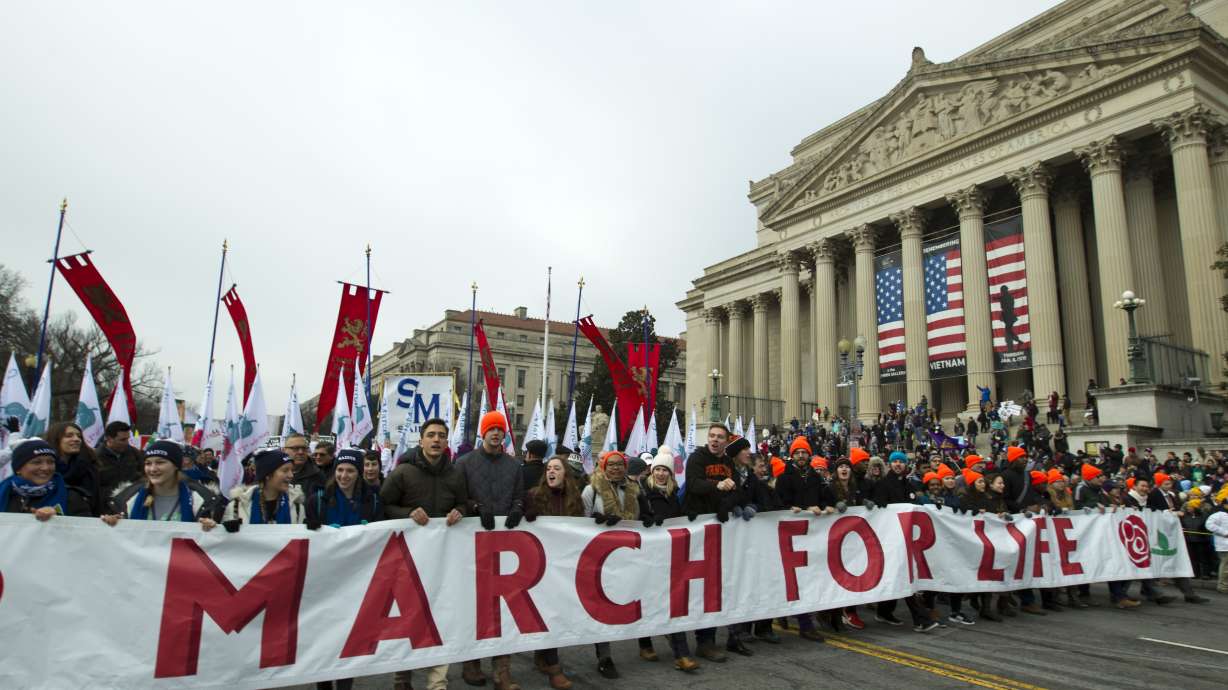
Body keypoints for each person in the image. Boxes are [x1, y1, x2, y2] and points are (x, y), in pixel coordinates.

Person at [380, 418, 464, 690]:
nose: (436, 440)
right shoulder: (403, 472)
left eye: (441, 435)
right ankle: (403, 677)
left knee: (442, 619)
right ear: (422, 439)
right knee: (410, 620)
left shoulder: (455, 474)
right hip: (410, 561)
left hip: (444, 562)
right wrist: (407, 513)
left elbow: (465, 501)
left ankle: (437, 683)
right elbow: (384, 505)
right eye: (431, 435)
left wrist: (461, 511)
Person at [454, 411, 524, 689]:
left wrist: (518, 508)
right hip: (473, 543)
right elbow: (457, 498)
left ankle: (502, 671)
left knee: (502, 609)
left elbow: (519, 495)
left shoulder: (514, 465)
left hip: (505, 545)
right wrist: (474, 507)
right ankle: (471, 663)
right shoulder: (463, 463)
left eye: (499, 429)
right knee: (475, 606)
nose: (496, 433)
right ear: (482, 433)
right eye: (491, 429)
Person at [636, 447, 701, 671]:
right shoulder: (643, 491)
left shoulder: (673, 493)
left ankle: (681, 653)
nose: (661, 474)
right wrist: (647, 519)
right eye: (658, 469)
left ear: (671, 474)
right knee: (648, 601)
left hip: (670, 556)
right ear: (652, 471)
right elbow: (637, 515)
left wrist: (689, 516)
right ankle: (645, 643)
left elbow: (680, 515)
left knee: (672, 602)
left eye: (665, 470)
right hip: (649, 555)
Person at [525, 455, 585, 689]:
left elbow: (582, 526)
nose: (551, 471)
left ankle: (543, 656)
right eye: (548, 468)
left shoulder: (575, 498)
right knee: (547, 613)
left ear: (565, 474)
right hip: (539, 564)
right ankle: (554, 668)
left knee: (554, 614)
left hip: (563, 565)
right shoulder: (533, 496)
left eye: (556, 468)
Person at [105, 440, 222, 528]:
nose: (153, 469)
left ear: (176, 465)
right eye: (148, 463)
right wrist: (112, 524)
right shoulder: (129, 500)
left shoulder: (200, 501)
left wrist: (211, 529)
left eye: (160, 462)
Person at [1, 439, 92, 518]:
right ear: (18, 469)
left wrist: (58, 518)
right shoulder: (5, 493)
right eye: (37, 462)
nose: (45, 468)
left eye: (50, 462)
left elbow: (87, 533)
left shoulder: (71, 497)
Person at [222, 449, 306, 525]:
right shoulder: (237, 506)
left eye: (292, 470)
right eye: (285, 470)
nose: (291, 475)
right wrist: (228, 533)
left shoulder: (296, 506)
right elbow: (222, 539)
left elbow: (302, 538)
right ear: (267, 475)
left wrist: (313, 530)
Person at [306, 448, 384, 528]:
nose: (343, 476)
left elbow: (379, 535)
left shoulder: (373, 501)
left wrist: (370, 530)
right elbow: (309, 534)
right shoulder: (317, 500)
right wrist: (322, 530)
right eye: (340, 470)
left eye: (350, 471)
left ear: (359, 474)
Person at [44, 422, 102, 516]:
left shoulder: (89, 467)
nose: (76, 439)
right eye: (69, 436)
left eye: (79, 436)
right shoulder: (44, 470)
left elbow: (96, 502)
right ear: (56, 439)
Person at [96, 421, 144, 499]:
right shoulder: (95, 458)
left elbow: (143, 474)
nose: (127, 443)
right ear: (109, 439)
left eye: (128, 439)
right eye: (122, 440)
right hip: (106, 505)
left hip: (132, 501)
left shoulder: (134, 453)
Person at [1205, 489, 1228, 595]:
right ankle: (1223, 586)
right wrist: (1224, 532)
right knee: (1225, 567)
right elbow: (1208, 525)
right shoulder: (1218, 514)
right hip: (1224, 545)